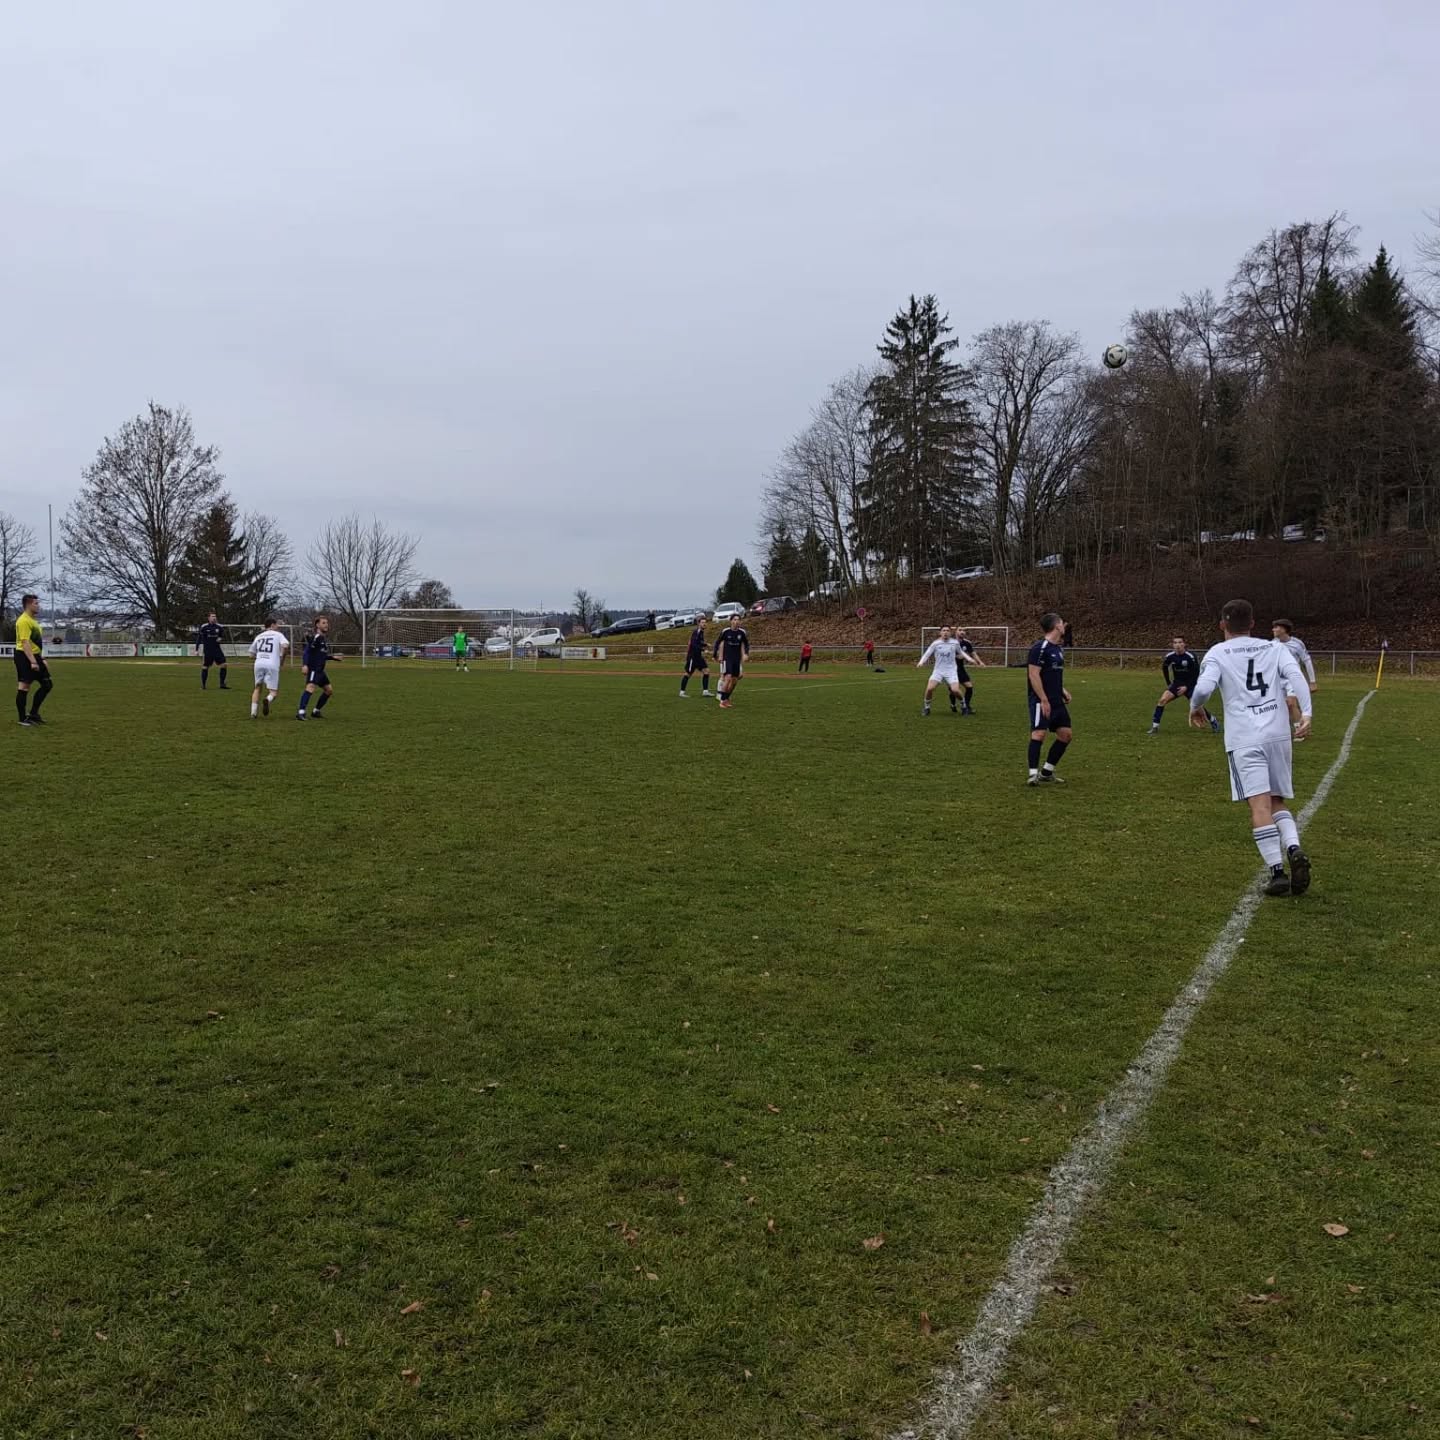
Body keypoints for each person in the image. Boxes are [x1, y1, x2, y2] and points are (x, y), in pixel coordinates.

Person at [1190, 598, 1313, 897]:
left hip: (1244, 737)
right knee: (1277, 800)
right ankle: (1294, 847)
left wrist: (1196, 707)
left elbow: (1204, 688)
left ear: (1222, 625)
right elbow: (1296, 676)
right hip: (1277, 733)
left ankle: (1277, 872)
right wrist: (1307, 713)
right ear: (1253, 623)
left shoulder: (1218, 652)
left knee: (1259, 805)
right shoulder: (1274, 648)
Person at [1026, 611, 1072, 786]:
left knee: (1065, 735)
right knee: (1039, 733)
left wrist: (1062, 690)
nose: (1064, 625)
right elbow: (1034, 674)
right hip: (1040, 700)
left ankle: (1046, 772)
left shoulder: (1057, 649)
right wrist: (1043, 699)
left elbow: (1051, 675)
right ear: (1056, 626)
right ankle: (1032, 774)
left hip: (1056, 700)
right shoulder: (1040, 648)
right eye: (1062, 622)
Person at [1149, 636, 1218, 734]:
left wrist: (1186, 687)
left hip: (1191, 684)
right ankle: (1155, 727)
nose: (1177, 645)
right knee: (1162, 700)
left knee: (1197, 706)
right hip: (1177, 684)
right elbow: (1164, 668)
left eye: (1180, 642)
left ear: (1184, 644)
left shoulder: (1190, 656)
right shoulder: (1170, 656)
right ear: (1173, 645)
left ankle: (1213, 720)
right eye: (1175, 642)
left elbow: (1196, 674)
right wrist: (1169, 683)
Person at [13, 593, 53, 727]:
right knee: (24, 686)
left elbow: (34, 642)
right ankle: (22, 718)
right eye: (36, 603)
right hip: (24, 656)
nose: (38, 605)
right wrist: (33, 662)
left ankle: (34, 714)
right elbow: (25, 643)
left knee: (47, 684)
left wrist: (40, 658)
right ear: (29, 604)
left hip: (35, 656)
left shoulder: (33, 621)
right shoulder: (23, 620)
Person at [296, 615, 340, 719]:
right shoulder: (316, 638)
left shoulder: (323, 639)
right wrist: (305, 665)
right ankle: (301, 713)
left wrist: (332, 657)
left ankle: (316, 711)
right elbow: (307, 651)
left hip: (320, 671)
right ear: (317, 625)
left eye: (327, 623)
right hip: (313, 669)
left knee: (328, 690)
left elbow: (321, 656)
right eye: (323, 623)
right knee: (310, 688)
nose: (326, 625)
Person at [248, 618, 290, 718]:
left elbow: (251, 654)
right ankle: (268, 699)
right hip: (272, 664)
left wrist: (260, 655)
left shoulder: (259, 636)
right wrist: (282, 659)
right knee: (273, 692)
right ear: (272, 625)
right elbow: (285, 646)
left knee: (257, 687)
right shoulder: (278, 634)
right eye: (276, 625)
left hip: (258, 663)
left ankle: (253, 713)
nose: (278, 627)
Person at [917, 626, 964, 715]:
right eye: (943, 630)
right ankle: (927, 708)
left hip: (951, 671)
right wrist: (921, 662)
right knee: (930, 688)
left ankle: (963, 705)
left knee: (955, 690)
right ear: (940, 633)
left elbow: (961, 653)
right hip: (938, 671)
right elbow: (927, 654)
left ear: (950, 633)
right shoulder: (935, 643)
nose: (945, 632)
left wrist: (964, 656)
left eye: (947, 631)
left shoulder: (955, 643)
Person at [1272, 619, 1318, 693]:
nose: (1273, 629)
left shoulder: (1297, 643)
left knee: (1292, 703)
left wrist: (1312, 682)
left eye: (1276, 627)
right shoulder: (1273, 643)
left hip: (1293, 679)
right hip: (1278, 681)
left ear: (1283, 629)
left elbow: (1307, 661)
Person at [713, 617, 750, 708]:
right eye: (734, 619)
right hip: (727, 659)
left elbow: (746, 644)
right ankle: (722, 700)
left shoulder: (742, 632)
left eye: (738, 620)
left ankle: (726, 698)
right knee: (727, 677)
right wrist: (715, 655)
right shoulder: (725, 631)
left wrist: (746, 654)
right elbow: (717, 642)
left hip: (736, 660)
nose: (736, 621)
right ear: (731, 621)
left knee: (734, 681)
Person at [955, 628, 987, 714]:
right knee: (954, 690)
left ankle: (966, 706)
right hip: (950, 669)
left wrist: (980, 662)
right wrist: (956, 657)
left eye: (964, 630)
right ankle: (953, 704)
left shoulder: (967, 643)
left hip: (960, 668)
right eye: (960, 630)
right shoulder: (950, 642)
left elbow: (973, 653)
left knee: (969, 687)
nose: (962, 632)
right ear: (955, 631)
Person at [195, 611, 230, 690]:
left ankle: (222, 684)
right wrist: (196, 649)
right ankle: (203, 685)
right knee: (205, 667)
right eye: (212, 616)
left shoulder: (219, 627)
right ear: (209, 618)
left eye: (215, 616)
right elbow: (199, 638)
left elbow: (221, 635)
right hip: (208, 650)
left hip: (217, 650)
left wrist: (220, 638)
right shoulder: (204, 627)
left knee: (224, 664)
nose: (214, 618)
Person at [679, 618, 711, 697]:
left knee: (706, 671)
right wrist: (703, 649)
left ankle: (705, 691)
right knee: (688, 674)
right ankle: (682, 693)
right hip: (692, 657)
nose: (704, 624)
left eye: (705, 622)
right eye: (702, 622)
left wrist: (705, 644)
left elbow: (699, 642)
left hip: (698, 657)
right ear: (699, 624)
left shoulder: (701, 632)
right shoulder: (696, 632)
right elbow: (694, 644)